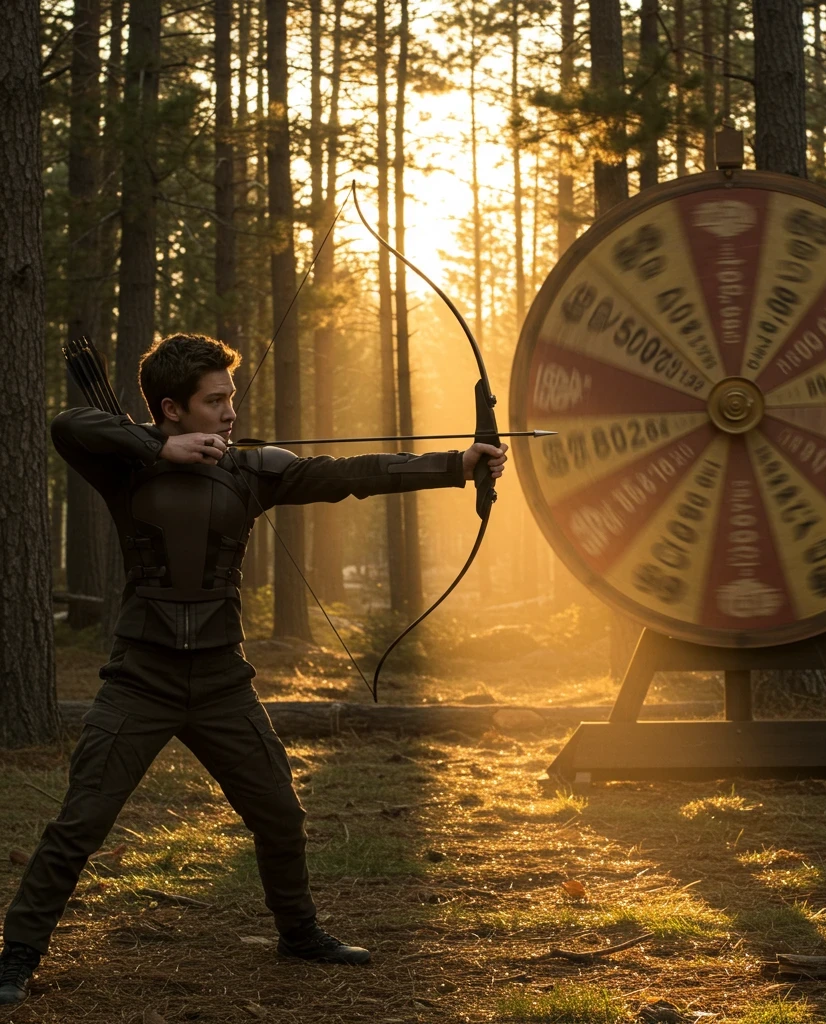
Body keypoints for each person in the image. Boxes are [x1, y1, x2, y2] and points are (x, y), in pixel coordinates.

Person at [0, 333, 508, 1006]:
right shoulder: (124, 467)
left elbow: (350, 475)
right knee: (81, 823)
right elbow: (68, 424)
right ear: (172, 409)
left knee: (279, 815)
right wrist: (158, 448)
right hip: (140, 680)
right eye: (215, 401)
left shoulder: (250, 471)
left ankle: (298, 933)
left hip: (221, 681)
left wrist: (456, 464)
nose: (231, 411)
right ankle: (17, 957)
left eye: (232, 397)